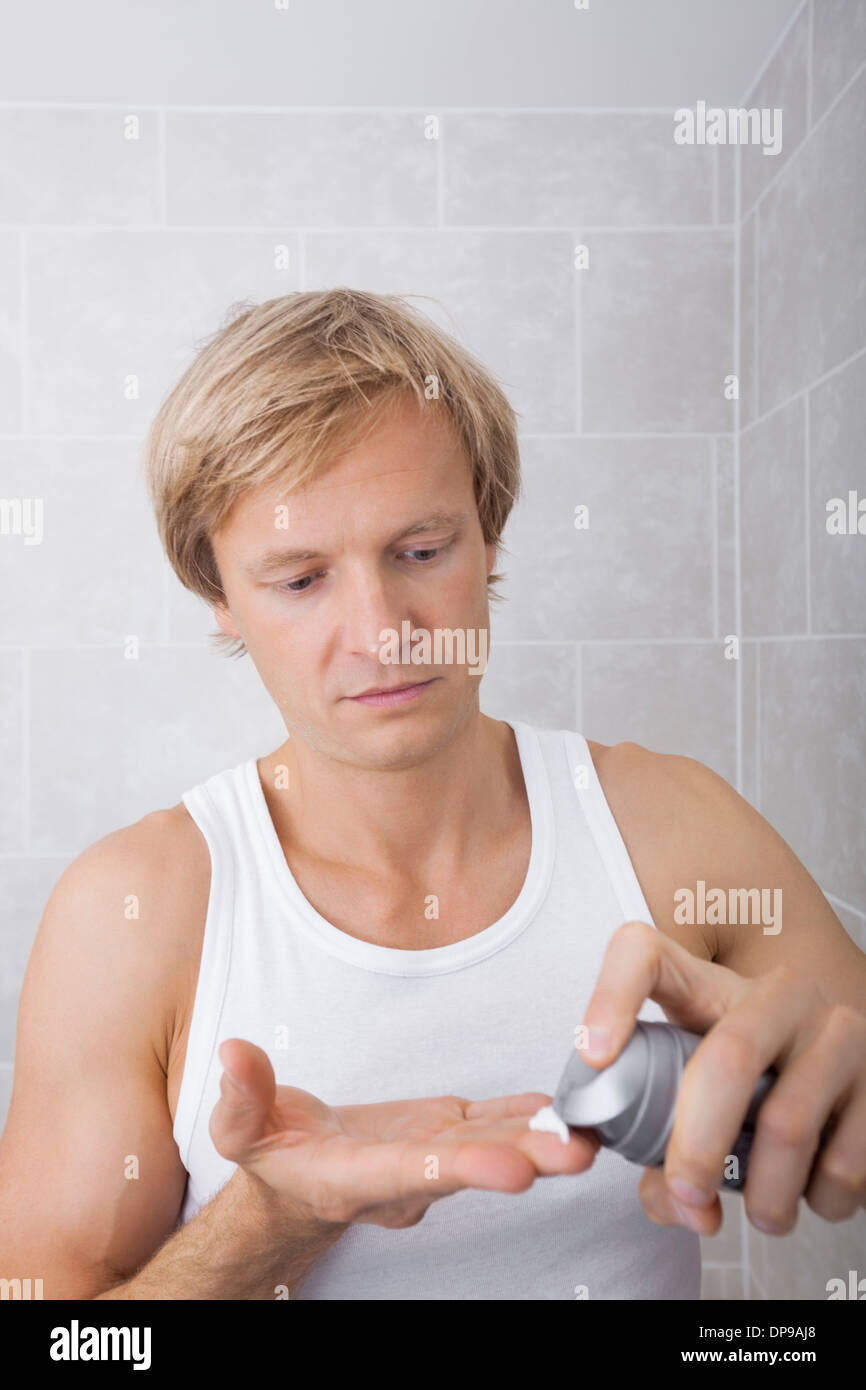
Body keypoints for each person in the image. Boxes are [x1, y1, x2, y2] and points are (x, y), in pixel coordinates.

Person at [1, 289, 864, 1301]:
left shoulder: (676, 829)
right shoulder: (129, 915)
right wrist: (271, 1223)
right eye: (300, 580)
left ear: (488, 538)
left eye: (420, 551)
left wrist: (834, 1101)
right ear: (220, 596)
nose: (383, 632)